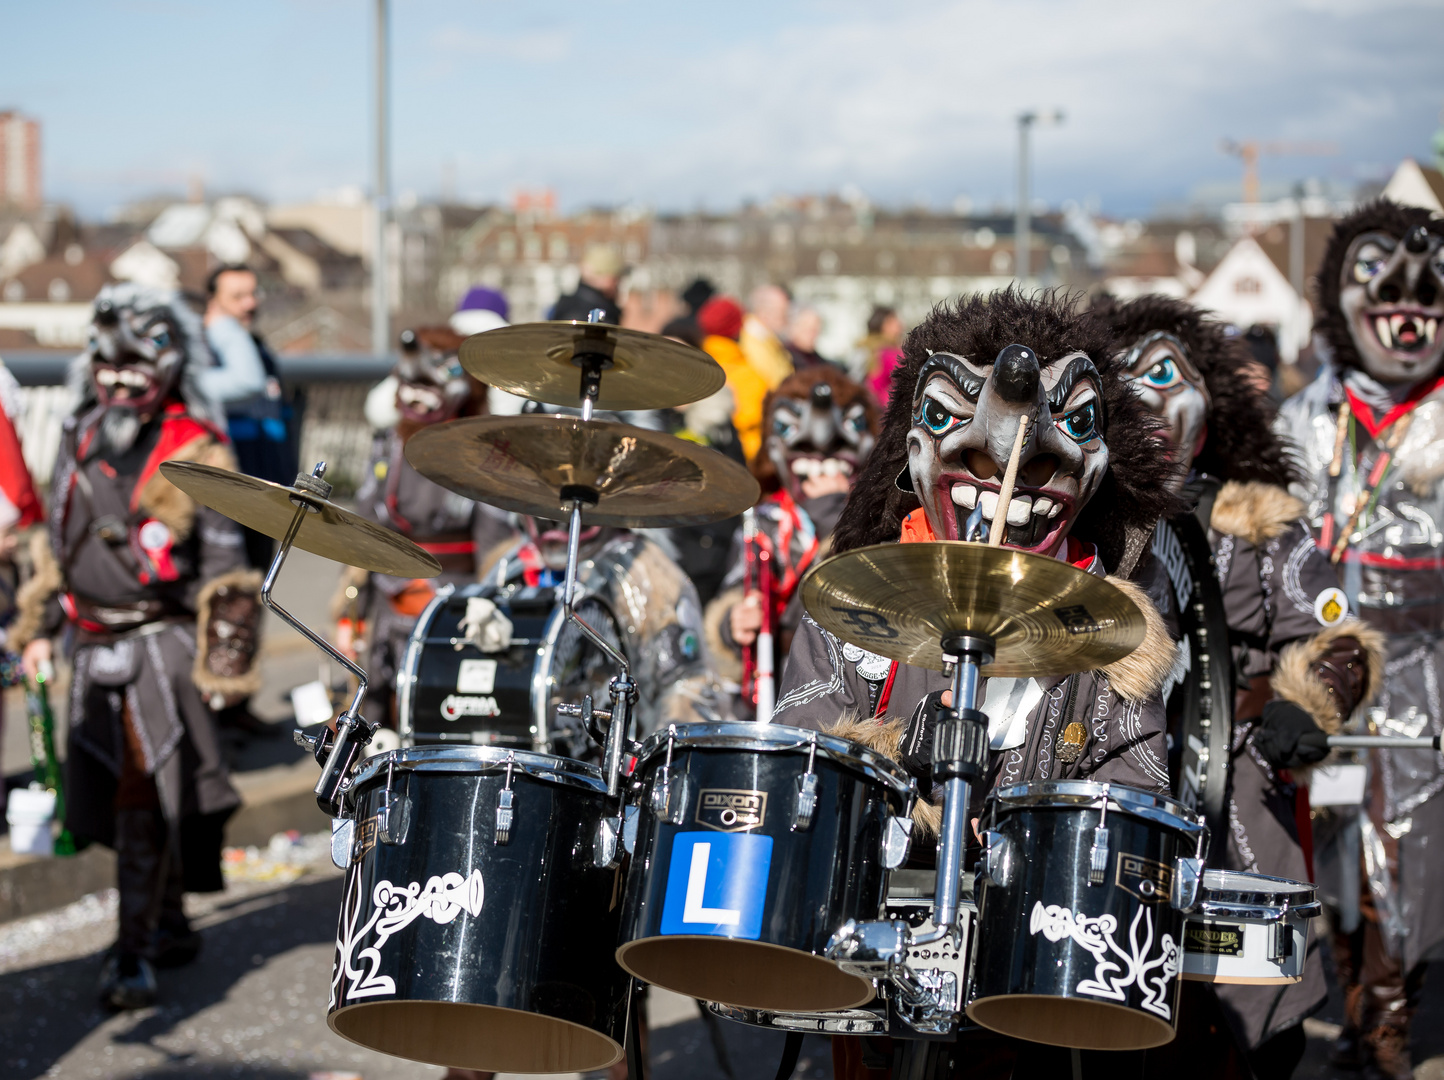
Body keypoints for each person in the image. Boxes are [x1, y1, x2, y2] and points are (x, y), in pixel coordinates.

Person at [775, 288, 1181, 1079]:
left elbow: (1138, 791)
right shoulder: (855, 597)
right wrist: (897, 762)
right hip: (872, 959)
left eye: (1033, 468)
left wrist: (1031, 813)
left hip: (1031, 973)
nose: (1007, 483)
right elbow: (803, 761)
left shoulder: (1115, 631)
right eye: (985, 466)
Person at [1098, 294, 1383, 1079]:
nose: (1149, 397)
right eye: (1126, 380)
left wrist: (1309, 697)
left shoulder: (1257, 523)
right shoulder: (1076, 520)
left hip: (1238, 792)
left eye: (1167, 374)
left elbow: (1336, 633)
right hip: (1108, 800)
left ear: (1211, 402)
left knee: (1250, 1034)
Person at [14, 284, 261, 1010]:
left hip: (161, 643)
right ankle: (172, 919)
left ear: (170, 366)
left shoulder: (198, 447)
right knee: (128, 789)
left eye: (136, 366)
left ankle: (131, 950)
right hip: (90, 641)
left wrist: (225, 662)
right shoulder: (78, 433)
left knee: (144, 792)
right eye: (106, 365)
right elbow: (58, 547)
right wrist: (40, 630)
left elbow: (227, 564)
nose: (119, 383)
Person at [1279, 200, 1444, 1080]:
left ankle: (1385, 1020)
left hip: (1425, 659)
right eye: (1375, 268)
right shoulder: (1306, 413)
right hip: (1320, 655)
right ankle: (1346, 1004)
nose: (1410, 292)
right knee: (1328, 836)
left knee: (1407, 841)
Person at [336, 327, 515, 733]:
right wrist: (349, 614)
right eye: (408, 385)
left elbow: (496, 548)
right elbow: (362, 527)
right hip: (386, 601)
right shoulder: (387, 444)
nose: (415, 398)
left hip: (456, 609)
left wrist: (484, 601)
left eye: (427, 385)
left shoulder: (483, 451)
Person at [704, 366, 878, 719]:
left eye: (835, 450)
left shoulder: (877, 525)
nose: (821, 461)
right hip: (772, 693)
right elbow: (738, 589)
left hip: (848, 698)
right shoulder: (764, 521)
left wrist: (837, 517)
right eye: (807, 451)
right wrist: (732, 621)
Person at [697, 295, 770, 461]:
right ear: (737, 329)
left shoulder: (696, 366)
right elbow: (754, 419)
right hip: (746, 460)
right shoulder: (749, 375)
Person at [550, 243, 624, 324]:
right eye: (615, 279)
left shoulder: (569, 305)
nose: (617, 284)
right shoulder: (594, 312)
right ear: (604, 277)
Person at [740, 283, 794, 388]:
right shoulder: (754, 340)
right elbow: (774, 384)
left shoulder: (767, 338)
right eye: (783, 312)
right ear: (763, 312)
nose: (787, 319)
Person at [850, 305, 905, 406]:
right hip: (886, 407)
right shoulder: (887, 352)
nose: (900, 324)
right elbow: (909, 367)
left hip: (872, 406)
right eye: (894, 320)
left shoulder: (866, 347)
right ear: (884, 325)